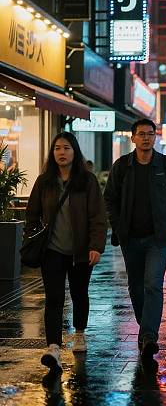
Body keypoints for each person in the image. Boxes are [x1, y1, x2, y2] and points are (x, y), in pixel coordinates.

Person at [104, 119, 166, 359]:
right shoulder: (122, 166)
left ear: (155, 137)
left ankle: (149, 335)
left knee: (152, 285)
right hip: (130, 237)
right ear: (133, 138)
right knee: (136, 287)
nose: (146, 138)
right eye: (141, 134)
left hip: (158, 238)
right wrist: (118, 226)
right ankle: (146, 328)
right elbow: (109, 198)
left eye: (150, 134)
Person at [25, 132, 107, 373]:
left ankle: (79, 333)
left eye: (66, 148)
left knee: (80, 293)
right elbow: (32, 214)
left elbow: (98, 216)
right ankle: (53, 347)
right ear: (52, 153)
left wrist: (96, 246)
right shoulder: (44, 181)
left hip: (81, 251)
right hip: (52, 250)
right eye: (57, 148)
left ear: (75, 152)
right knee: (54, 299)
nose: (61, 152)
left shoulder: (88, 181)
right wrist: (32, 236)